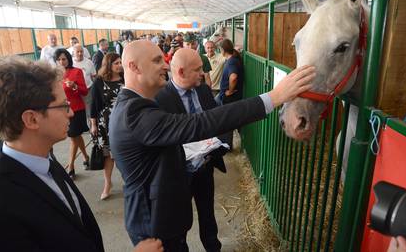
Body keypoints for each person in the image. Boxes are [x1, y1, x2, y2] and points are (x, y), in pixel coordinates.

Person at [109, 40, 315, 251]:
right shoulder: (133, 113)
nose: (165, 65)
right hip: (153, 225)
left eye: (163, 58)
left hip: (164, 213)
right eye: (156, 60)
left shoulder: (137, 106)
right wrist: (273, 97)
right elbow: (201, 123)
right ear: (134, 67)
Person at [0, 56, 105, 251]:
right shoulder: (5, 202)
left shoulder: (44, 160)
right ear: (31, 119)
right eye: (64, 105)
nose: (71, 112)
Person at [155, 49, 230, 251]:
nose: (203, 72)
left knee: (207, 212)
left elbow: (217, 120)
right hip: (180, 173)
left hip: (205, 165)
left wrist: (220, 144)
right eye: (197, 69)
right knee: (180, 218)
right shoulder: (160, 99)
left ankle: (213, 246)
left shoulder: (203, 90)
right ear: (180, 72)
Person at [90, 52, 124, 200]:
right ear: (108, 65)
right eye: (116, 63)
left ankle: (130, 182)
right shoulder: (99, 81)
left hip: (124, 121)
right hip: (106, 123)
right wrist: (93, 124)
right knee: (108, 156)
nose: (119, 65)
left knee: (123, 153)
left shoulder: (126, 78)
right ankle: (107, 184)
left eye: (120, 62)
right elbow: (94, 104)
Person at [54, 48, 90, 179]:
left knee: (73, 137)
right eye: (58, 59)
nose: (61, 62)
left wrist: (74, 86)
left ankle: (71, 166)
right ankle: (86, 157)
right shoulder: (54, 75)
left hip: (76, 110)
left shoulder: (76, 72)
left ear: (68, 59)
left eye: (64, 59)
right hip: (61, 110)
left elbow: (84, 91)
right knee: (75, 136)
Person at [217, 39, 243, 106]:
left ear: (223, 50)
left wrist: (230, 91)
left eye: (220, 50)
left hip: (229, 98)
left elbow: (233, 77)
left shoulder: (231, 62)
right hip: (229, 96)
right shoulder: (232, 59)